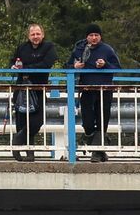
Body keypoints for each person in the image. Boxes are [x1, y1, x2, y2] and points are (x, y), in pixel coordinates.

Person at [68, 23, 121, 162]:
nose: (94, 38)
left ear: (100, 36)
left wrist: (105, 65)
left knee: (103, 119)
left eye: (96, 35)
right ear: (87, 37)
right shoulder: (79, 50)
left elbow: (117, 67)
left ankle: (97, 153)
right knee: (88, 122)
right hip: (87, 89)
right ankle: (100, 147)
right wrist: (75, 66)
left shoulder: (107, 50)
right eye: (91, 35)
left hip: (105, 89)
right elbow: (67, 66)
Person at [9, 24, 57, 161]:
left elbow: (47, 63)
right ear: (28, 36)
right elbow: (13, 61)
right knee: (21, 121)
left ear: (43, 34)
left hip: (38, 88)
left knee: (37, 120)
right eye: (33, 34)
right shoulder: (22, 48)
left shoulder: (49, 47)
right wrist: (14, 66)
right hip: (21, 88)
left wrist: (26, 68)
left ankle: (18, 139)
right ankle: (27, 153)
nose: (35, 37)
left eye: (38, 34)